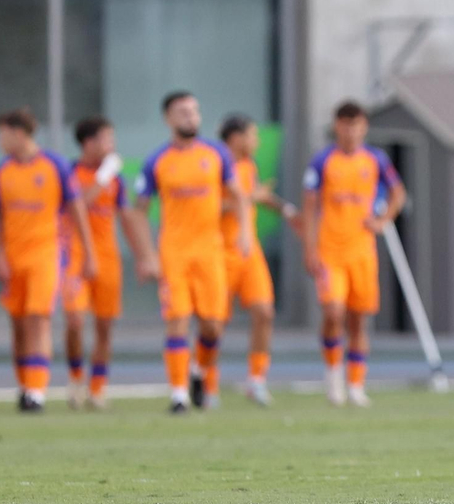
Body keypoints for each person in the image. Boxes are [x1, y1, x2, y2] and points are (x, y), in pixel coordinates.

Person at [132, 92, 249, 413]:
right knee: (178, 321)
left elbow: (238, 196)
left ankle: (199, 371)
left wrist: (245, 235)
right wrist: (147, 255)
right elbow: (138, 210)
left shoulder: (216, 155)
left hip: (210, 251)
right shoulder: (157, 160)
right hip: (174, 253)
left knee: (212, 326)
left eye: (194, 111)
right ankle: (179, 394)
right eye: (182, 112)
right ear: (168, 118)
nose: (190, 117)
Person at [302, 101, 406, 408]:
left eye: (357, 125)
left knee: (358, 320)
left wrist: (383, 219)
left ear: (365, 127)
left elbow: (398, 192)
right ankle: (333, 373)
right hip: (330, 251)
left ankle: (357, 384)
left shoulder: (375, 159)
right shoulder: (322, 161)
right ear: (337, 126)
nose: (351, 131)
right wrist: (310, 248)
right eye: (346, 125)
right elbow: (309, 208)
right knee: (333, 313)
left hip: (362, 252)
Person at [0, 108, 96, 413]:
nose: (0, 141)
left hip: (46, 253)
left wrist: (88, 253)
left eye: (3, 134)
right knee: (18, 323)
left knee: (40, 319)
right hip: (13, 256)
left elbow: (77, 211)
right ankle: (24, 385)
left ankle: (37, 391)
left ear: (19, 133)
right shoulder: (2, 170)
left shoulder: (56, 166)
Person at [62, 117, 155, 410]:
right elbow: (78, 205)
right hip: (74, 256)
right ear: (88, 143)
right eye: (105, 139)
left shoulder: (115, 179)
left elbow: (126, 218)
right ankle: (76, 378)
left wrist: (144, 257)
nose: (112, 146)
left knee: (104, 326)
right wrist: (101, 178)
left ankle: (98, 387)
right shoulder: (70, 173)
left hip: (107, 258)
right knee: (75, 321)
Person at [219, 114, 300, 406]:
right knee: (214, 324)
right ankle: (205, 380)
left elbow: (256, 196)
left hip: (249, 251)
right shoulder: (216, 164)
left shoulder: (247, 165)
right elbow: (208, 207)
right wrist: (248, 198)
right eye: (252, 135)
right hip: (220, 252)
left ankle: (256, 380)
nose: (257, 141)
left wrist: (288, 211)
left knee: (264, 313)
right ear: (236, 137)